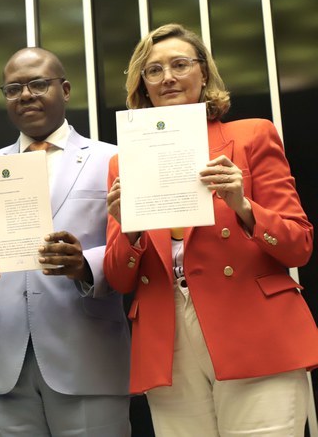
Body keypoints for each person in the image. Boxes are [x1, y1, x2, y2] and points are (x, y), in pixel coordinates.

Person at [104, 23, 318, 436]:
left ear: (204, 74)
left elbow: (299, 247)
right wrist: (129, 231)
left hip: (254, 330)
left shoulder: (252, 135)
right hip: (167, 341)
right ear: (142, 85)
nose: (167, 77)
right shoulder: (122, 162)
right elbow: (119, 276)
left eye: (180, 64)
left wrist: (243, 204)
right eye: (153, 70)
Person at [0, 47, 131, 436]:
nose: (25, 95)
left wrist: (85, 265)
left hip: (88, 362)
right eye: (13, 88)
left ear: (65, 89)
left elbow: (133, 252)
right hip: (2, 370)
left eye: (37, 84)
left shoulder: (110, 159)